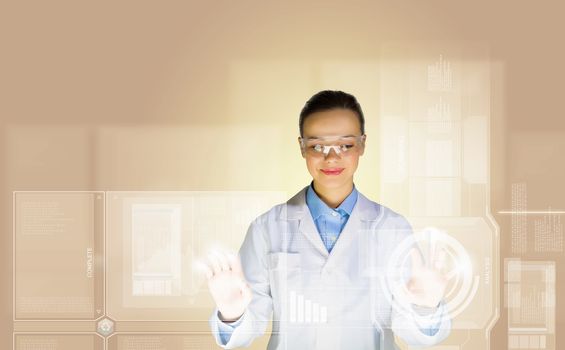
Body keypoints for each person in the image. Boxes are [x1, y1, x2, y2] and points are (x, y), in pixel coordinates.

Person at [203, 90, 451, 349]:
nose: (331, 157)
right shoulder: (267, 229)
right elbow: (245, 330)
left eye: (345, 145)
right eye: (317, 146)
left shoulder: (392, 228)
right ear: (301, 147)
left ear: (363, 144)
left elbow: (415, 335)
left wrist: (425, 307)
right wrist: (232, 314)